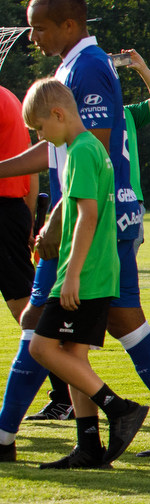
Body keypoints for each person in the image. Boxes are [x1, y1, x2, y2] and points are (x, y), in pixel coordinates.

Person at [0, 0, 150, 461]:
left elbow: (86, 153)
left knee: (39, 328)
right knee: (121, 326)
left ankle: (7, 437)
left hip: (91, 224)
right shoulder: (73, 66)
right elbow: (59, 149)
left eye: (39, 27)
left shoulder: (88, 67)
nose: (32, 37)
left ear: (68, 26)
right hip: (103, 217)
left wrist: (57, 218)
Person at [7, 79, 149, 468]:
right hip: (94, 272)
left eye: (39, 129)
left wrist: (69, 276)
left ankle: (119, 409)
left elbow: (88, 216)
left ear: (58, 114)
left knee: (40, 346)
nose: (40, 137)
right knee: (72, 358)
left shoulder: (83, 152)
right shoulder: (86, 148)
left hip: (82, 275)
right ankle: (89, 446)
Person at [0, 84, 39, 328]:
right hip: (13, 211)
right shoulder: (9, 97)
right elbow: (31, 167)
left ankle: (58, 361)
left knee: (22, 303)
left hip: (4, 212)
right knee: (24, 300)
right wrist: (29, 217)